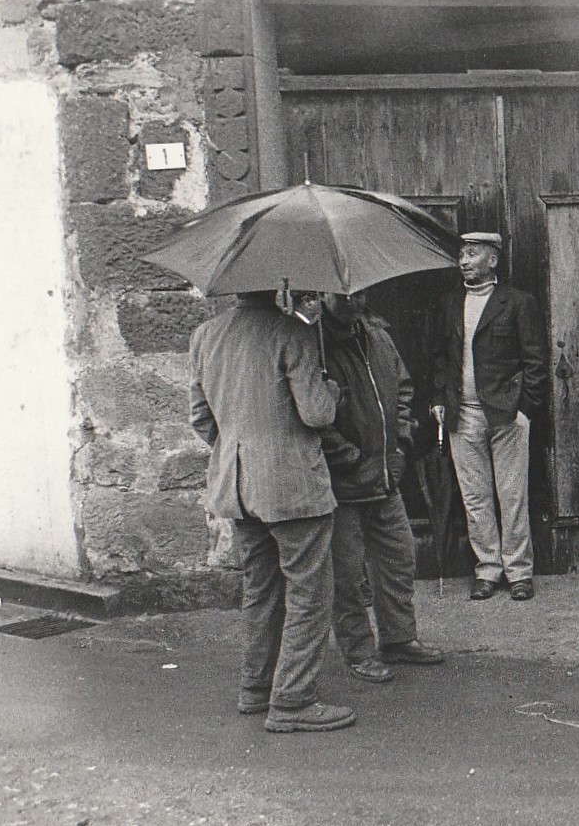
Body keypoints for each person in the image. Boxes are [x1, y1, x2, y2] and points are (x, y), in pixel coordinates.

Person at [189, 290, 354, 733]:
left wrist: (237, 453)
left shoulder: (205, 335)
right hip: (292, 486)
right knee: (310, 592)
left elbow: (201, 419)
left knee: (260, 589)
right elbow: (317, 413)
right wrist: (333, 389)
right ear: (275, 284)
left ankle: (256, 689)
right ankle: (293, 701)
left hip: (238, 488)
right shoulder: (292, 332)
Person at [318, 291, 447, 684]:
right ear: (324, 294)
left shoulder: (378, 337)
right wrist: (350, 458)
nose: (353, 300)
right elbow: (315, 420)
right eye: (342, 294)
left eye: (358, 293)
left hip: (386, 476)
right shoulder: (314, 345)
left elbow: (403, 391)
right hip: (344, 485)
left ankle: (398, 638)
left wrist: (402, 442)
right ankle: (358, 651)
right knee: (348, 575)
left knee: (398, 557)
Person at [429, 232, 548, 602]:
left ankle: (518, 571)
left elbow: (535, 361)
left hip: (506, 415)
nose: (464, 260)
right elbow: (439, 357)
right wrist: (437, 397)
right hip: (461, 415)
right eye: (462, 254)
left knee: (512, 495)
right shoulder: (449, 303)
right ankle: (487, 569)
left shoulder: (517, 303)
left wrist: (524, 409)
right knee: (475, 496)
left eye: (472, 253)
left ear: (492, 260)